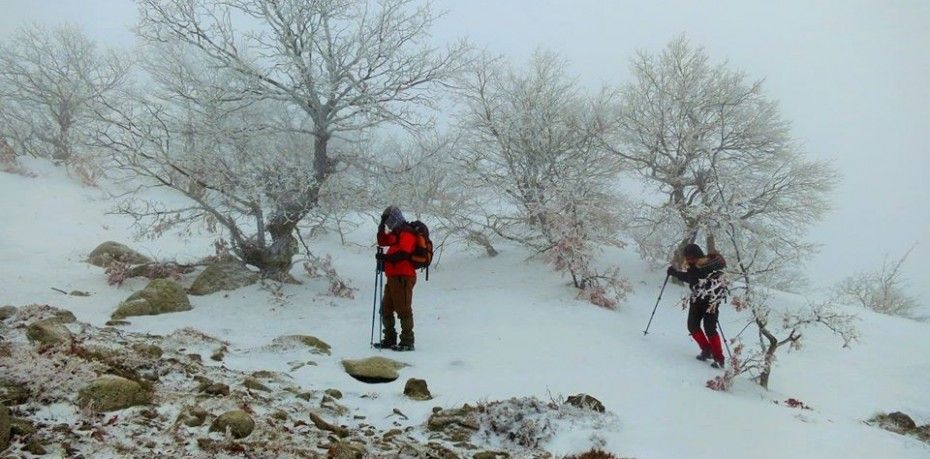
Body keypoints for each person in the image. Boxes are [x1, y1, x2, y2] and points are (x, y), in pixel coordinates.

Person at [667, 243, 728, 368]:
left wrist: (677, 272)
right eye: (687, 258)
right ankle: (707, 350)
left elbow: (694, 279)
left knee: (710, 329)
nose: (688, 260)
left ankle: (719, 358)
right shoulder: (694, 266)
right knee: (693, 326)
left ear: (696, 256)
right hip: (697, 299)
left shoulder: (710, 266)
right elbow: (692, 278)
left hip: (711, 301)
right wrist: (676, 273)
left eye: (689, 258)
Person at [374, 206, 417, 351]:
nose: (388, 223)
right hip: (392, 277)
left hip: (403, 276)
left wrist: (385, 258)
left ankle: (407, 341)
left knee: (403, 309)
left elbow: (404, 254)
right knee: (385, 309)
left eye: (388, 219)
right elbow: (382, 240)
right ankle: (390, 339)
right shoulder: (397, 233)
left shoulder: (407, 233)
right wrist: (381, 224)